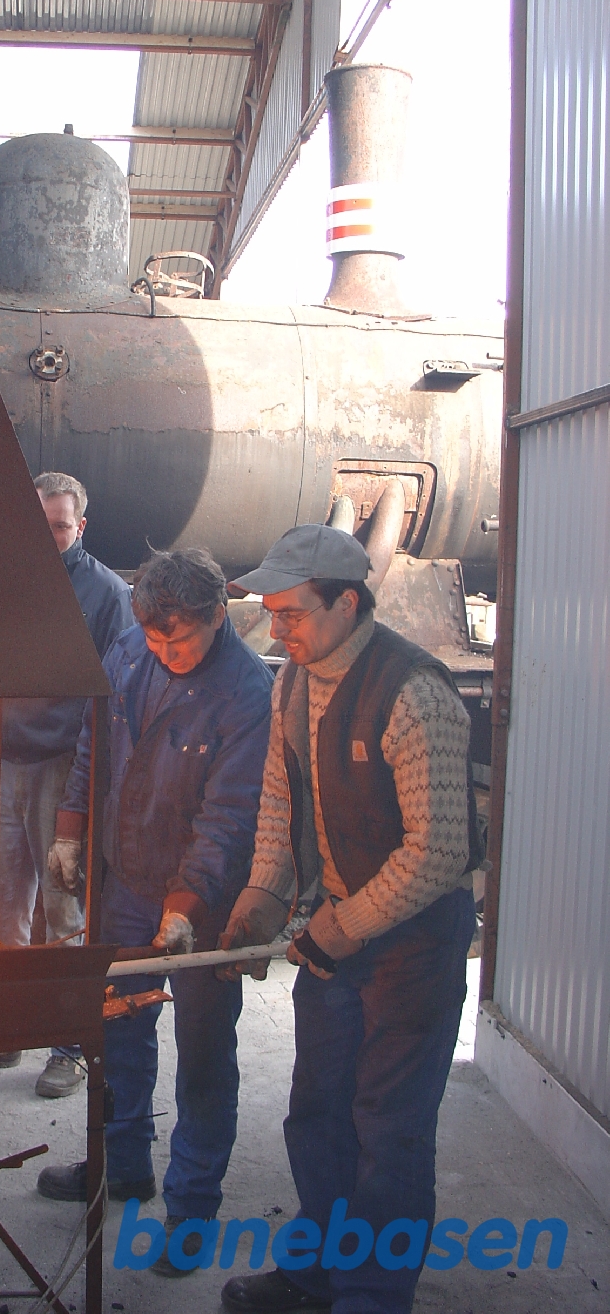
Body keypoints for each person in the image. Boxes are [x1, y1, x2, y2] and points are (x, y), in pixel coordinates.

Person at [217, 525, 482, 1314]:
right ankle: (317, 1273)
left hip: (414, 948)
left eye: (292, 613)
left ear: (347, 602)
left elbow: (437, 855)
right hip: (340, 929)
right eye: (272, 613)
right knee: (319, 1110)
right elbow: (278, 798)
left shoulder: (416, 695)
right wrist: (263, 894)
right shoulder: (292, 683)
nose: (279, 629)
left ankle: (371, 1296)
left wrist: (340, 926)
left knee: (388, 1126)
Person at [36, 548, 274, 1277]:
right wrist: (72, 826)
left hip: (203, 897)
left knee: (202, 1054)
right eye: (155, 639)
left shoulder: (246, 691)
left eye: (181, 641)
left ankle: (192, 1210)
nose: (166, 653)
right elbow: (93, 742)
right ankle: (122, 1165)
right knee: (118, 1030)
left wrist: (185, 906)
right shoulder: (132, 649)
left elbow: (231, 817)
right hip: (125, 880)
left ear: (217, 617)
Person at [0, 472, 135, 1098]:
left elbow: (113, 698)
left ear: (80, 528)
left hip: (62, 767)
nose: (46, 537)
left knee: (63, 905)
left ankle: (70, 1044)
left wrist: (86, 791)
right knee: (0, 907)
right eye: (37, 524)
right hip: (3, 762)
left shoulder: (105, 594)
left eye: (58, 526)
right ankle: (5, 1031)